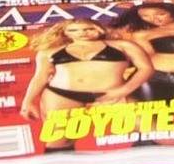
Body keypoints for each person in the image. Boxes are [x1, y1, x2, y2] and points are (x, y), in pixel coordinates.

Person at [19, 20, 154, 119]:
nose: (82, 33)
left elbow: (146, 68)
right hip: (61, 95)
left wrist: (123, 90)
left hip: (112, 93)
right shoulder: (48, 52)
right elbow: (40, 77)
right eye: (74, 30)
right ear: (65, 33)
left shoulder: (123, 45)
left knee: (146, 127)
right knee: (58, 140)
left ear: (100, 29)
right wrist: (27, 102)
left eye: (88, 29)